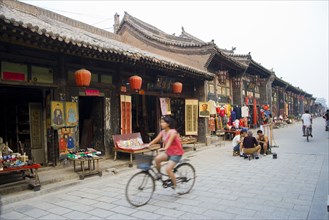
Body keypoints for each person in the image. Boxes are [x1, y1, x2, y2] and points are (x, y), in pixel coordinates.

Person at [147, 116, 184, 191]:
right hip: (168, 152)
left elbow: (169, 141)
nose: (161, 124)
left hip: (176, 153)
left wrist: (165, 148)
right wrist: (148, 144)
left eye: (163, 122)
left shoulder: (173, 132)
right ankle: (159, 174)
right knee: (157, 159)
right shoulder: (162, 132)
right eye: (161, 122)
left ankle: (175, 185)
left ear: (168, 123)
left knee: (168, 169)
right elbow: (157, 139)